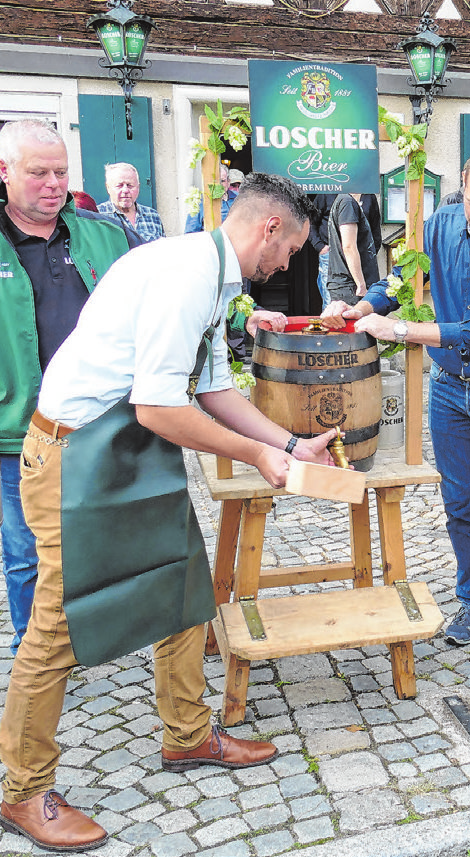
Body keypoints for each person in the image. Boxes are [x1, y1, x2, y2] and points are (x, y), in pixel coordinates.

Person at [0, 173, 336, 852]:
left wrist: (292, 443)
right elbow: (159, 405)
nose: (288, 264)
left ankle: (186, 736)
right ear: (269, 228)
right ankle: (21, 789)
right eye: (291, 248)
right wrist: (255, 456)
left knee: (184, 590)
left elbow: (211, 390)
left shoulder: (213, 277)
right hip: (76, 455)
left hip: (128, 450)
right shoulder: (186, 274)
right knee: (61, 623)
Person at [321, 144, 470, 692]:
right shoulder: (443, 222)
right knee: (459, 506)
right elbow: (403, 280)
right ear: (464, 191)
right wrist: (364, 307)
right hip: (449, 390)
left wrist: (400, 332)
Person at [0, 120, 140, 658]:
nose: (53, 183)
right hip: (18, 427)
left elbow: (170, 286)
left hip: (102, 423)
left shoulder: (105, 234)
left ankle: (106, 630)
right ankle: (35, 647)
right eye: (39, 173)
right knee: (27, 548)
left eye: (61, 171)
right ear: (6, 172)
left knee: (110, 531)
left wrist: (244, 314)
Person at [326, 191, 380, 305]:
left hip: (346, 285)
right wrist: (361, 284)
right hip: (351, 287)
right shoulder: (347, 202)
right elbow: (349, 246)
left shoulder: (346, 201)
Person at [96, 161, 165, 243]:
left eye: (130, 185)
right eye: (119, 185)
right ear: (108, 187)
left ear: (138, 187)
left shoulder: (152, 216)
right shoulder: (98, 215)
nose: (125, 190)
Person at [185, 163, 235, 233]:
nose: (219, 185)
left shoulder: (239, 198)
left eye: (222, 181)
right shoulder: (200, 203)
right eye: (215, 181)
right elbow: (190, 234)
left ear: (228, 181)